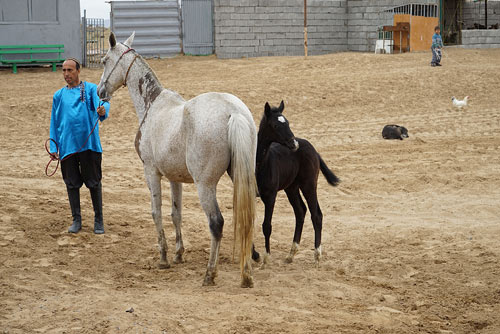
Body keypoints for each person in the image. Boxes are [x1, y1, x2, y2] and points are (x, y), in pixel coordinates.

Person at [49, 58, 110, 234]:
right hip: (67, 146)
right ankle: (76, 220)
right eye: (64, 70)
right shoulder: (58, 96)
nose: (66, 74)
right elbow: (55, 122)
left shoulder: (90, 89)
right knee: (71, 184)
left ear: (78, 71)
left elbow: (103, 102)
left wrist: (103, 109)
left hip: (89, 146)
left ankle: (99, 220)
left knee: (94, 183)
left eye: (70, 70)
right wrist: (54, 147)